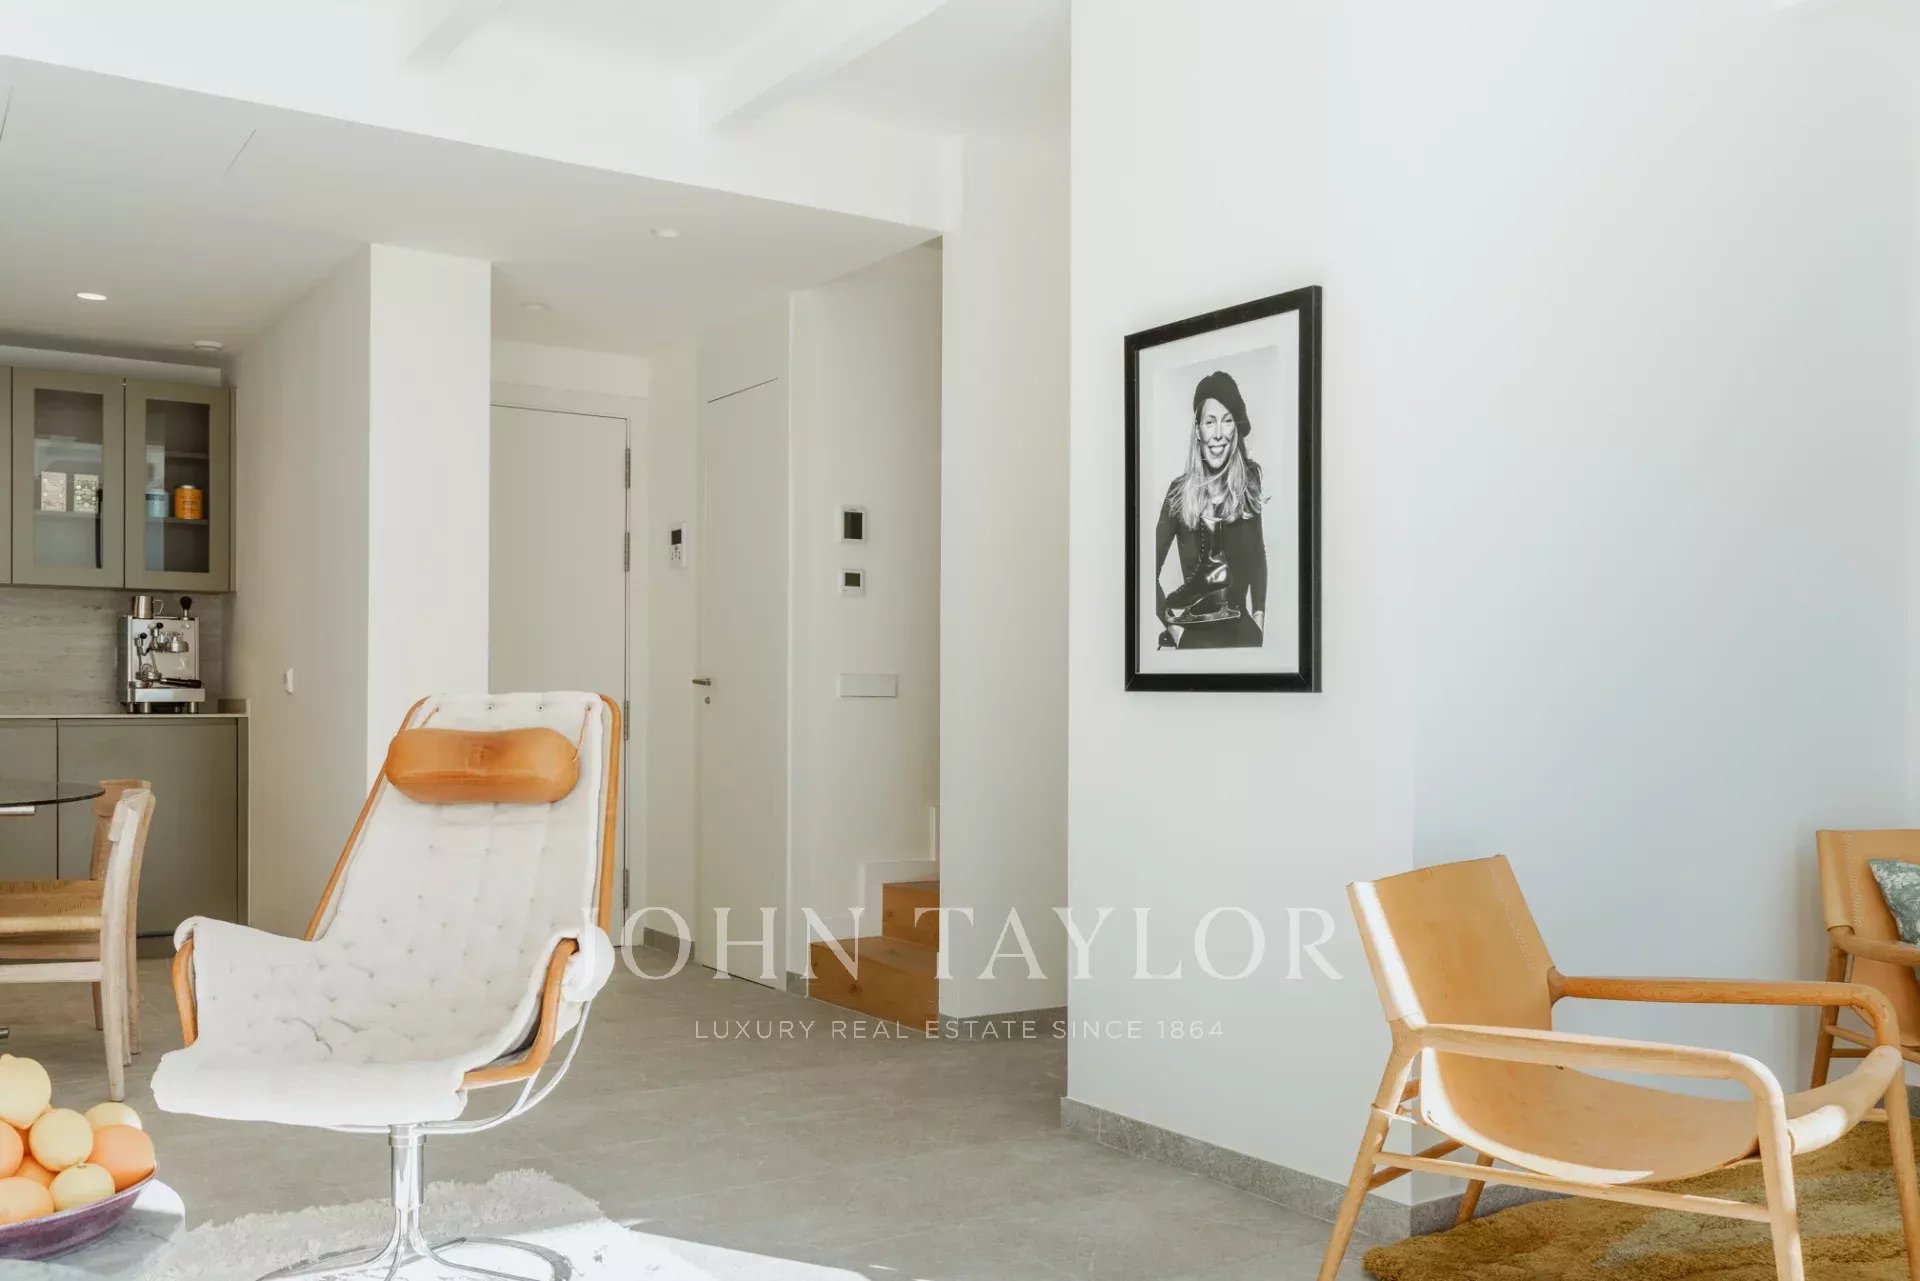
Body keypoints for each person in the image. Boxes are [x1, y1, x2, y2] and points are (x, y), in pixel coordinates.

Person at [1154, 370, 1266, 649]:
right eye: (1209, 422)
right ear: (1198, 430)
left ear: (1235, 429)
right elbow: (1143, 571)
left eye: (1227, 421)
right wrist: (1175, 630)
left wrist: (1259, 617)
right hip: (1194, 641)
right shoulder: (1178, 492)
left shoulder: (1249, 482)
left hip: (1244, 641)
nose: (1218, 434)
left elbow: (1258, 555)